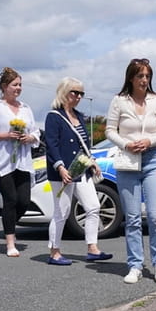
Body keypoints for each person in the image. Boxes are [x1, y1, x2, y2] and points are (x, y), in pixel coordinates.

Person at [106, 58, 156, 284]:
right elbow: (109, 131)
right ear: (131, 78)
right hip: (128, 162)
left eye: (147, 76)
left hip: (153, 160)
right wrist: (126, 144)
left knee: (155, 215)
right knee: (132, 219)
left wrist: (149, 140)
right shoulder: (119, 101)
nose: (144, 80)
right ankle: (135, 266)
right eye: (140, 76)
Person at [44, 77, 111, 265]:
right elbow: (52, 144)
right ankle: (54, 251)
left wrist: (92, 162)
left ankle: (92, 248)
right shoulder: (54, 116)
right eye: (75, 92)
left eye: (82, 93)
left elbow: (84, 145)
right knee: (62, 212)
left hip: (82, 169)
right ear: (64, 92)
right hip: (63, 172)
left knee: (93, 206)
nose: (79, 96)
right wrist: (60, 167)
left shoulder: (79, 116)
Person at [0, 67, 40, 257]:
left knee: (24, 201)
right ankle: (10, 242)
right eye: (14, 85)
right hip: (3, 162)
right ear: (5, 87)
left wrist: (29, 138)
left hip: (23, 160)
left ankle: (8, 222)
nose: (18, 88)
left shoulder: (26, 108)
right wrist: (6, 135)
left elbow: (36, 132)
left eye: (20, 84)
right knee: (10, 199)